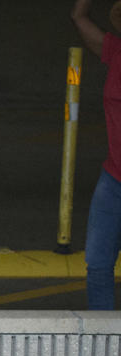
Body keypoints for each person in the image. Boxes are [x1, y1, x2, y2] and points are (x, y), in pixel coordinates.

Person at [72, 0, 121, 309]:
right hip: (114, 179)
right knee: (98, 267)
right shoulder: (116, 52)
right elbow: (78, 17)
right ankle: (104, 350)